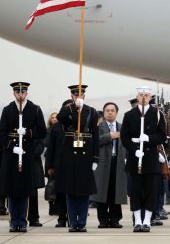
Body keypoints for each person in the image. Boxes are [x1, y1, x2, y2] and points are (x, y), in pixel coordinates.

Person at [0, 82, 46, 233]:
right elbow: (1, 134)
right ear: (14, 93)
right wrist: (12, 146)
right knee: (12, 189)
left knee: (24, 190)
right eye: (17, 92)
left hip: (27, 154)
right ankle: (14, 221)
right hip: (12, 155)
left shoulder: (35, 109)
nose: (20, 95)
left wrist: (28, 133)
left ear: (27, 93)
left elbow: (42, 131)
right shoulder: (7, 109)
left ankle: (22, 221)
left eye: (23, 92)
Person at [120, 86, 167, 233]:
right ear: (137, 97)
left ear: (150, 97)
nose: (144, 97)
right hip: (135, 158)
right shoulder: (129, 115)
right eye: (141, 95)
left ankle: (147, 221)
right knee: (135, 191)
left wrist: (149, 138)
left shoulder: (157, 114)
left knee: (150, 190)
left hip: (151, 158)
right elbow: (124, 137)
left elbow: (162, 136)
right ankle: (137, 221)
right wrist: (134, 150)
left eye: (147, 95)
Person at [55, 84, 99, 233]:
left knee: (84, 190)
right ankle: (73, 222)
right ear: (71, 95)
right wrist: (73, 107)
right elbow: (60, 119)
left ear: (84, 95)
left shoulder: (92, 112)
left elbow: (96, 135)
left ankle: (82, 222)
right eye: (75, 95)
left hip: (86, 153)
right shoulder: (66, 109)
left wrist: (95, 158)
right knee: (70, 189)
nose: (77, 97)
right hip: (69, 153)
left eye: (80, 95)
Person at [91, 102, 127, 228]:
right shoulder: (98, 127)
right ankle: (103, 220)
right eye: (107, 110)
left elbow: (127, 145)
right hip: (103, 163)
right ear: (104, 112)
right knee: (102, 192)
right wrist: (109, 136)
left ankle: (115, 219)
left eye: (112, 110)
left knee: (115, 192)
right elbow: (93, 142)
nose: (110, 112)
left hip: (118, 163)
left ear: (116, 113)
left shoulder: (122, 127)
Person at [45, 101, 70, 227]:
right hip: (58, 165)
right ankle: (61, 218)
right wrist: (49, 166)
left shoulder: (76, 125)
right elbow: (50, 148)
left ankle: (72, 218)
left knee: (72, 193)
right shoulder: (56, 127)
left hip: (73, 165)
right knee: (60, 193)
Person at [28, 134, 45, 227]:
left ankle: (33, 218)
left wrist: (29, 154)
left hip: (32, 163)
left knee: (33, 194)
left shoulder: (35, 131)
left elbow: (40, 146)